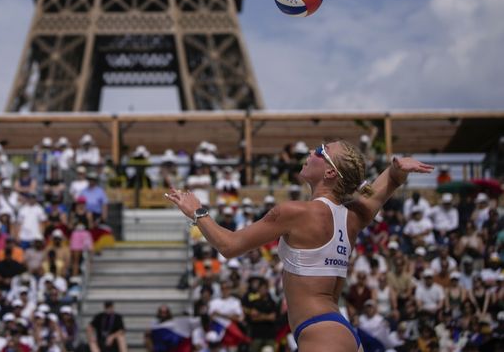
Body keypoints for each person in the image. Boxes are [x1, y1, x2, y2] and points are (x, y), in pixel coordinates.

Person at [166, 140, 432, 352]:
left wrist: (198, 212)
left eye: (320, 151)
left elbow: (229, 245)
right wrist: (396, 171)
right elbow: (381, 189)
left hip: (322, 335)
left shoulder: (296, 212)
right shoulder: (352, 216)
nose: (310, 151)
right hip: (336, 331)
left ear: (329, 172)